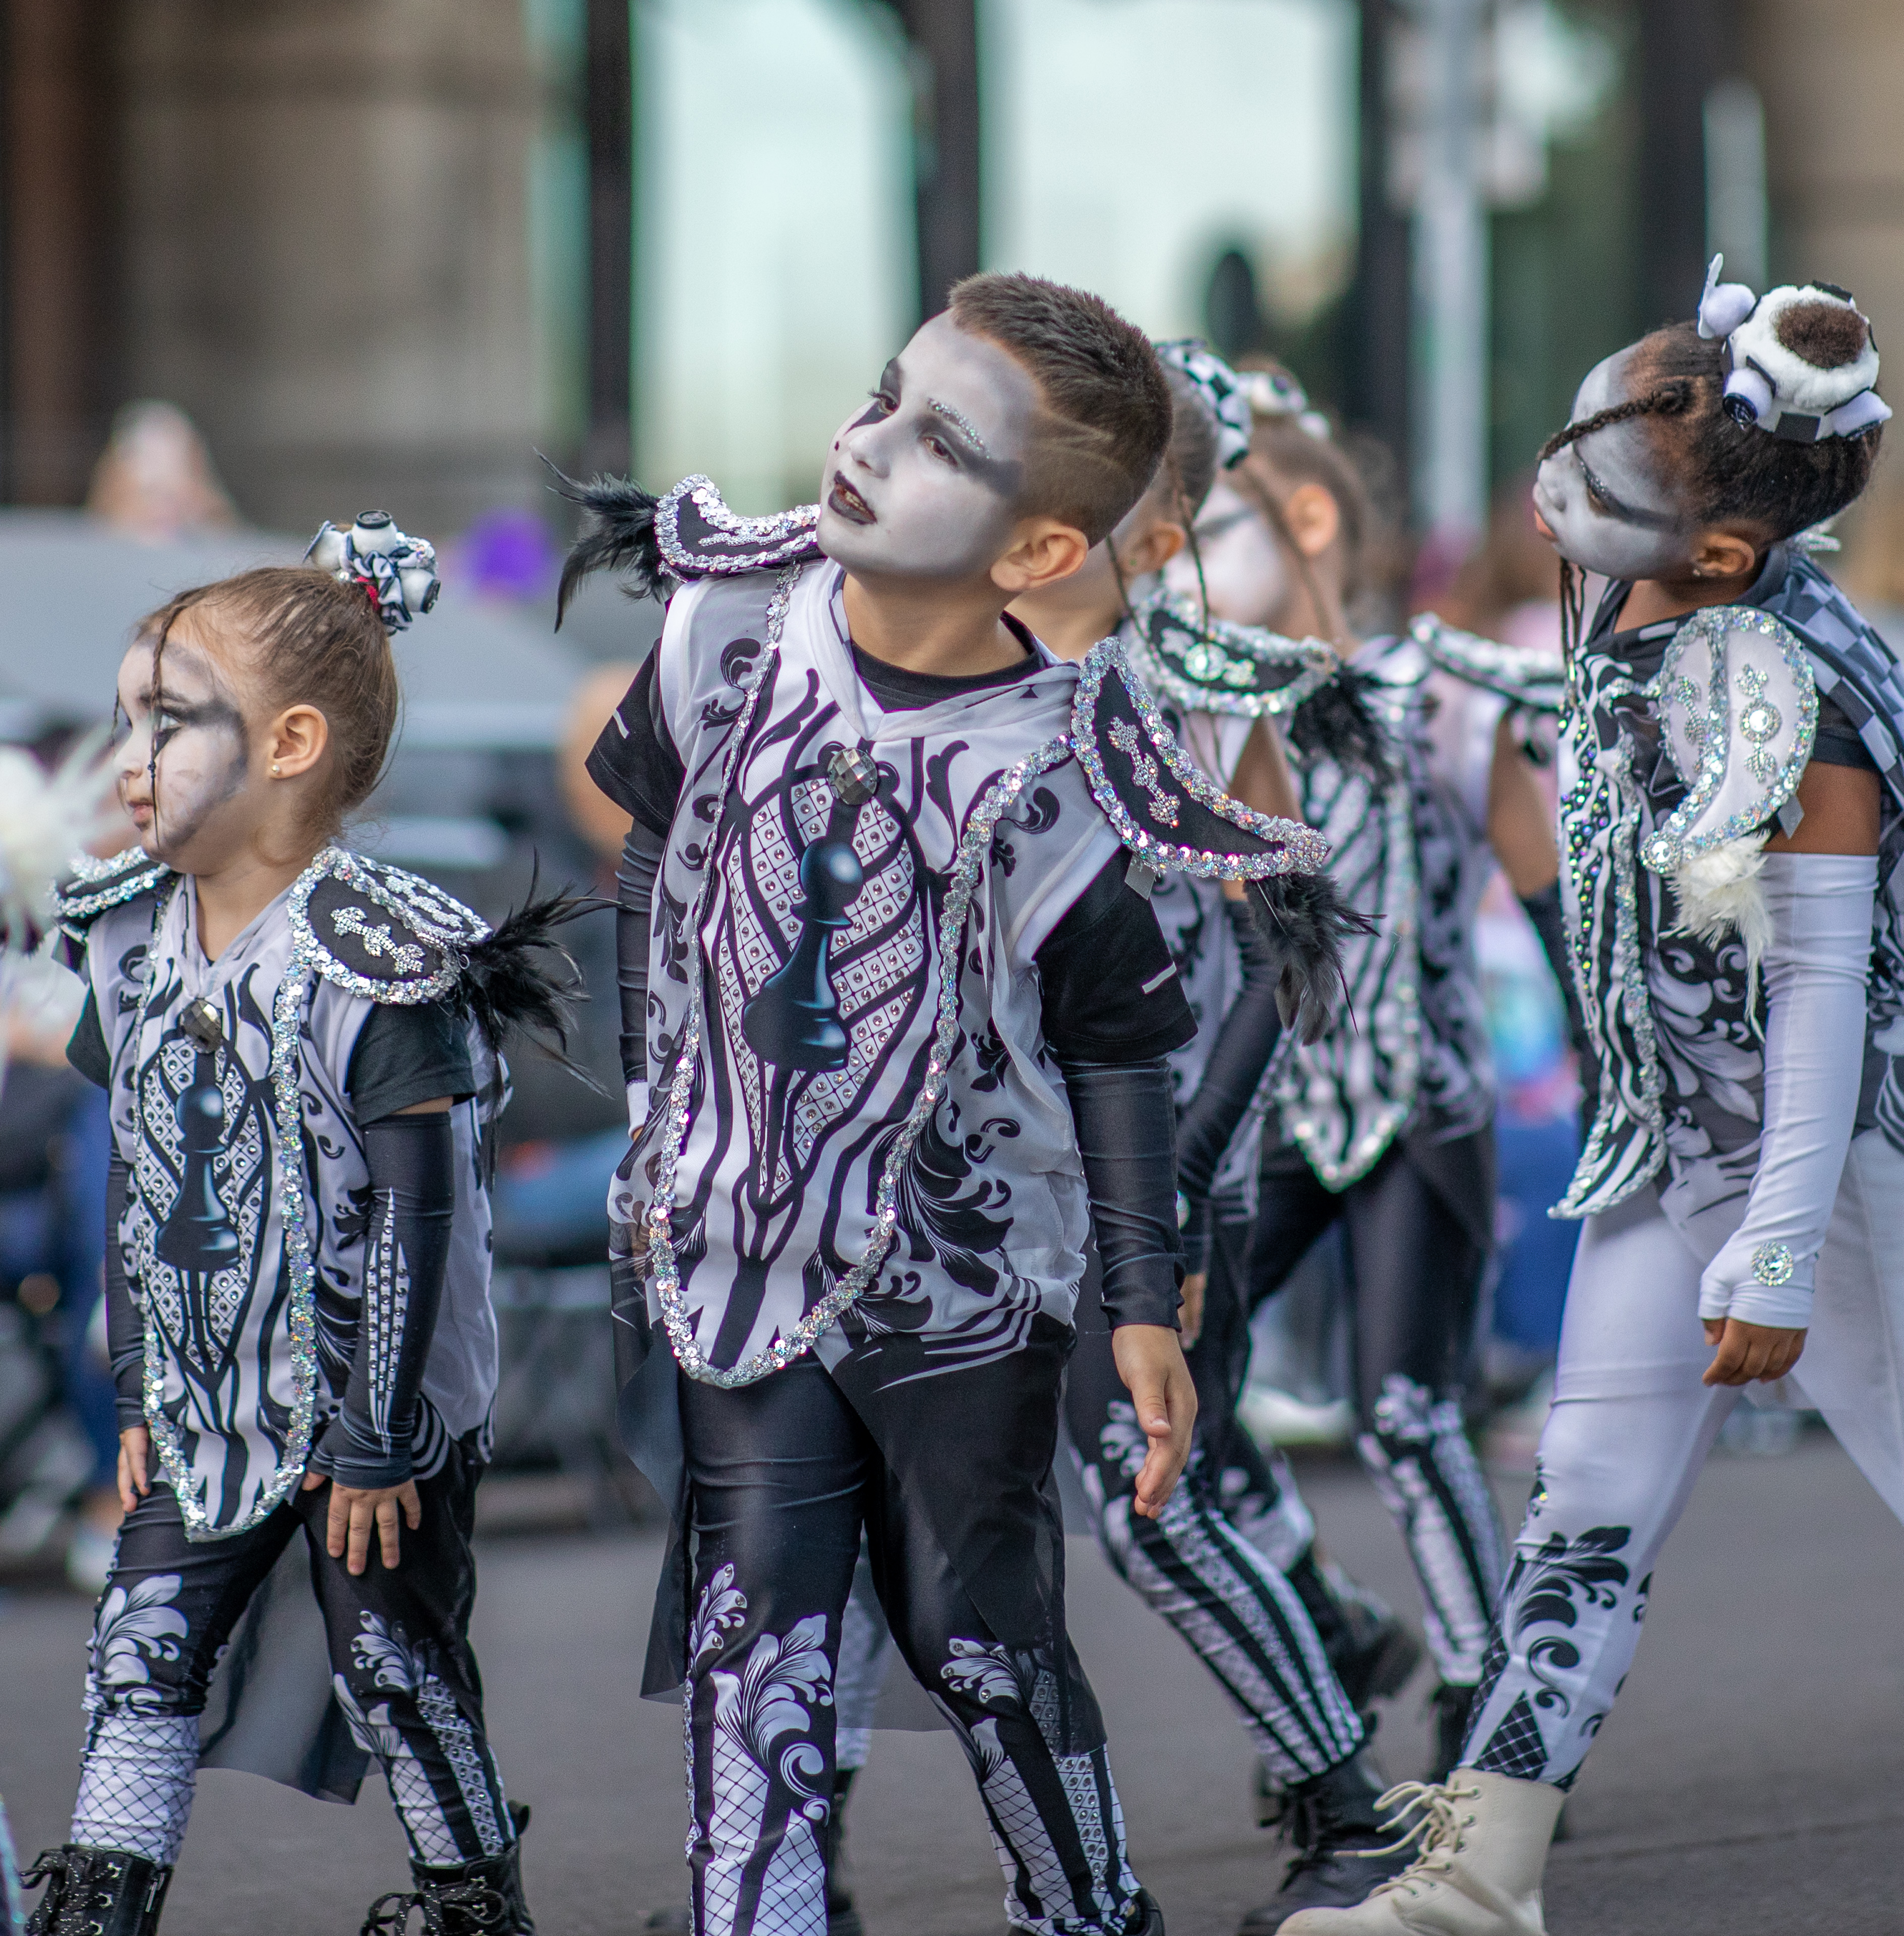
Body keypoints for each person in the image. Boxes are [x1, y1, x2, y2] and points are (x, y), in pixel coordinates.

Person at [570, 273, 1355, 1936]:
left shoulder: (1060, 756)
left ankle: (1091, 1912)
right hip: (743, 1254)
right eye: (883, 394)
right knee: (754, 1636)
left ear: (1038, 554)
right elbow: (660, 848)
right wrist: (659, 1105)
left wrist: (1142, 1303)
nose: (865, 442)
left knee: (980, 1637)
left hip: (964, 1286)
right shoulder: (725, 627)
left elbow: (1116, 1038)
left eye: (941, 442)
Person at [1278, 262, 1902, 1933]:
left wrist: (1778, 1247)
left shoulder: (1800, 691)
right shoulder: (1644, 615)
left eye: (1597, 474)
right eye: (1575, 437)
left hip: (1831, 1176)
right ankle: (1476, 1888)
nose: (1553, 483)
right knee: (1583, 1520)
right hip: (1663, 1158)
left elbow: (1823, 994)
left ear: (1719, 553)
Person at [22, 516, 576, 1936]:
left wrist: (379, 1436)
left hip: (368, 1418)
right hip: (202, 1407)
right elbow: (132, 1175)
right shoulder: (132, 935)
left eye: (168, 721)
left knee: (393, 1664)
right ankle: (102, 1900)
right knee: (140, 1652)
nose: (127, 759)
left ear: (289, 746)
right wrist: (145, 1375)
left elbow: (419, 1212)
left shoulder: (383, 957)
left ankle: (470, 1894)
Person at [1168, 363, 1570, 1795]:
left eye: (1213, 533)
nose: (1186, 571)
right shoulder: (1202, 723)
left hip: (1424, 1109)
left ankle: (1484, 1709)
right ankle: (1327, 1628)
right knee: (1173, 1409)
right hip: (1269, 1122)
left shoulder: (1451, 701)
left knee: (1407, 1411)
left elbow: (1551, 910)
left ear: (1313, 522)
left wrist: (1624, 1093)